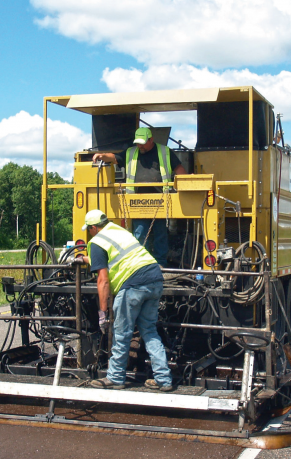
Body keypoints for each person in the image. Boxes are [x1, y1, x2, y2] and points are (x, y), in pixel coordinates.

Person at [76, 209, 173, 391]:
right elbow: (117, 257)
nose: (89, 233)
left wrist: (102, 314)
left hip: (133, 285)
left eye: (89, 229)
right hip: (154, 278)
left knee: (122, 333)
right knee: (150, 332)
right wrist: (86, 259)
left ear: (94, 228)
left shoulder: (96, 241)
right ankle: (163, 379)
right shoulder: (118, 231)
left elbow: (103, 281)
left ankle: (115, 378)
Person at [92, 127, 187, 266]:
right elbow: (114, 157)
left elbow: (180, 170)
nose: (140, 146)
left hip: (160, 201)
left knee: (160, 234)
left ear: (151, 140)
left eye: (142, 143)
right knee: (140, 234)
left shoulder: (164, 152)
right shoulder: (131, 152)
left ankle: (161, 265)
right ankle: (143, 265)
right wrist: (102, 156)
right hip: (137, 201)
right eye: (138, 143)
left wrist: (183, 187)